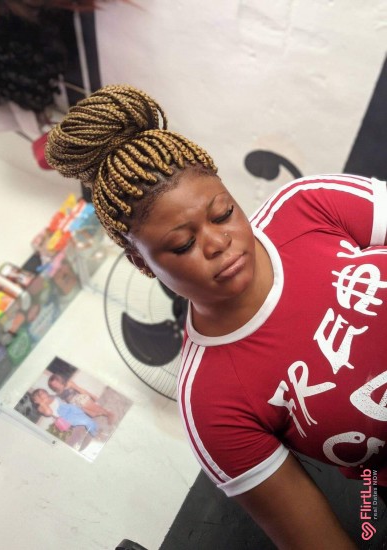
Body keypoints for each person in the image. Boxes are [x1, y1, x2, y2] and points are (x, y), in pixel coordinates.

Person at [46, 84, 387, 549]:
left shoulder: (309, 206)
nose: (218, 242)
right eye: (183, 244)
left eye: (223, 213)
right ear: (143, 263)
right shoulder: (210, 403)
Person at [47, 373, 114, 423]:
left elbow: (80, 389)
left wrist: (92, 395)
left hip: (81, 399)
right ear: (52, 386)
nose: (56, 385)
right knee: (93, 414)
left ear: (59, 379)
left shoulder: (68, 383)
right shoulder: (58, 393)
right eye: (53, 385)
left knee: (96, 408)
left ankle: (109, 414)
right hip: (76, 405)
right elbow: (66, 402)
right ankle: (106, 413)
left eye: (56, 382)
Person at [31, 388, 98, 436]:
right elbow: (49, 413)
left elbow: (62, 401)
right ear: (37, 399)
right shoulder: (41, 407)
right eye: (41, 394)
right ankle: (95, 434)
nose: (44, 392)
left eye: (43, 391)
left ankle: (95, 430)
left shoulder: (52, 396)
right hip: (66, 417)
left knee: (87, 419)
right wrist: (42, 403)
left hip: (71, 409)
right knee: (86, 421)